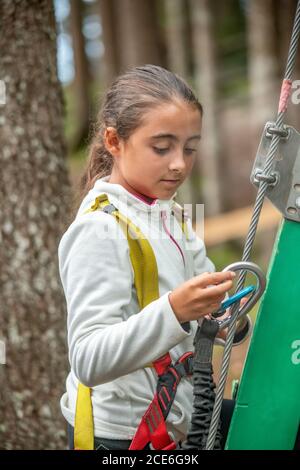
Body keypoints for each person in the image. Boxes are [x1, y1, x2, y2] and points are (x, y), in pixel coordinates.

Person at [58, 64, 249, 451]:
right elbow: (88, 358)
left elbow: (204, 311)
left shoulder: (170, 214)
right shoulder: (99, 228)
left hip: (179, 416)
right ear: (114, 141)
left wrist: (227, 319)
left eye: (189, 148)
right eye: (162, 148)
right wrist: (176, 311)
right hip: (121, 437)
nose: (179, 163)